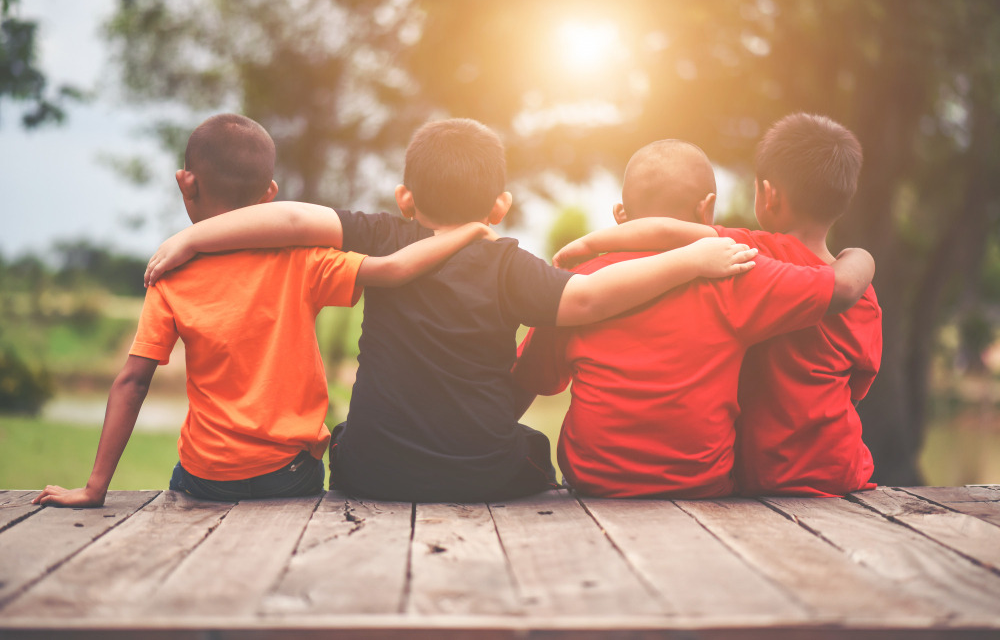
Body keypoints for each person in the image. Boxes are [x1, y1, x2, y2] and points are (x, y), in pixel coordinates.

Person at [137, 117, 759, 502]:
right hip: (481, 471)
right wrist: (692, 261)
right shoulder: (507, 261)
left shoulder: (382, 235)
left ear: (406, 197)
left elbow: (293, 217)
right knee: (530, 450)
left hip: (374, 471)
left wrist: (191, 236)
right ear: (500, 206)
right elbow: (590, 296)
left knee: (348, 438)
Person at [32, 113, 494, 508]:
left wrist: (95, 488)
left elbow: (132, 382)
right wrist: (471, 228)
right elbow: (394, 269)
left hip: (203, 478)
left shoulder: (171, 273)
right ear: (269, 192)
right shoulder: (301, 259)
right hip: (288, 475)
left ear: (185, 182)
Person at [514, 138, 875, 498]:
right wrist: (859, 255)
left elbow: (532, 379)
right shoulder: (735, 275)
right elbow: (833, 287)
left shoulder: (578, 288)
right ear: (708, 210)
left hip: (595, 484)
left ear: (621, 216)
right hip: (698, 487)